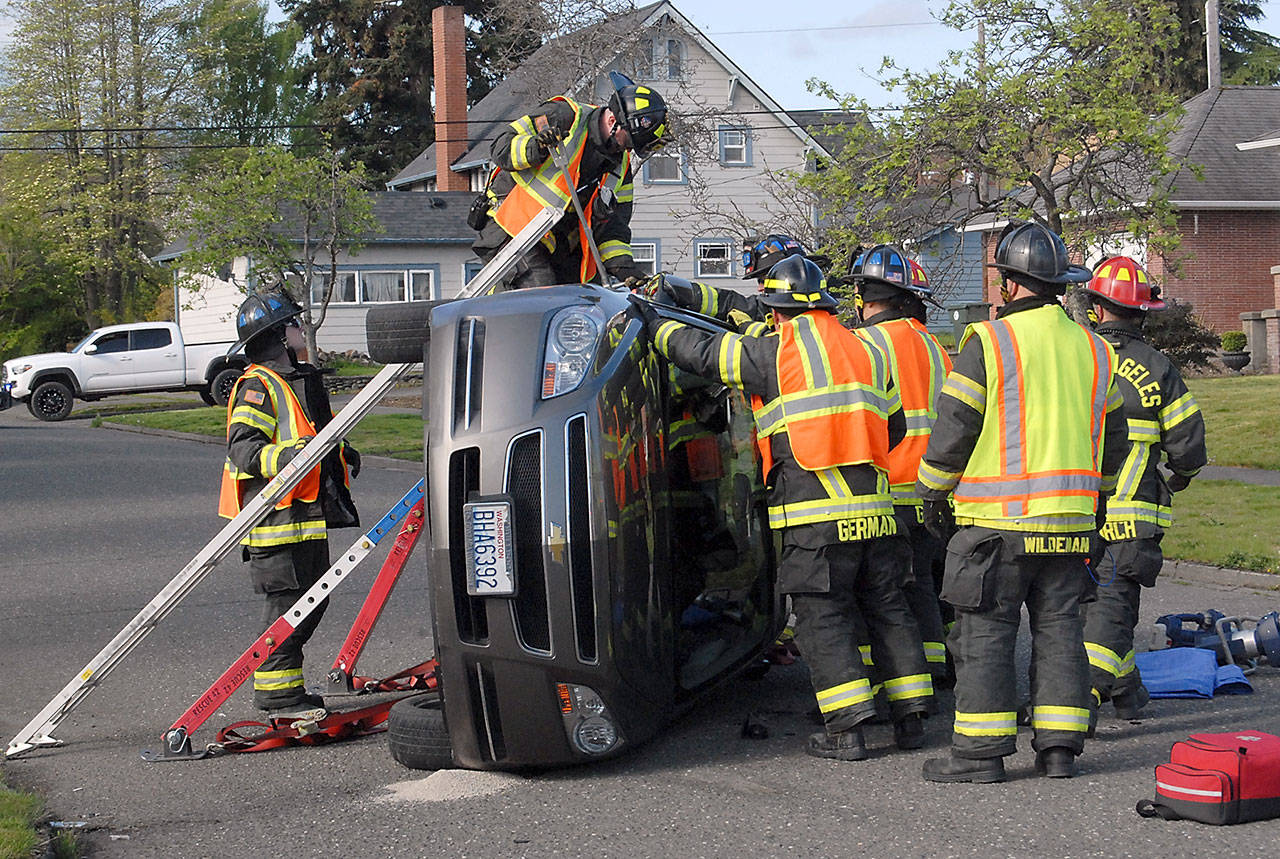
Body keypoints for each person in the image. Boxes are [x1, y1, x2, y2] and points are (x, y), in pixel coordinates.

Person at [634, 254, 933, 760]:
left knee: (824, 617)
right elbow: (896, 429)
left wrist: (651, 323)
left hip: (817, 522)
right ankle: (911, 718)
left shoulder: (775, 354)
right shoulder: (868, 352)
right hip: (882, 516)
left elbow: (703, 353)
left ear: (775, 310)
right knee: (887, 608)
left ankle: (847, 730)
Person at [917, 221, 1129, 783]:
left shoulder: (989, 342)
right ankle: (1059, 749)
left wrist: (931, 491)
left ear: (1010, 285)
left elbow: (954, 428)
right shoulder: (1094, 348)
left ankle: (979, 757)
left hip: (996, 526)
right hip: (1073, 523)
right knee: (1061, 630)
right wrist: (1097, 500)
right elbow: (1114, 439)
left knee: (986, 631)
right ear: (1058, 285)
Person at [218, 292, 362, 719]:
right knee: (287, 608)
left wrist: (340, 453)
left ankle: (287, 690)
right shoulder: (258, 385)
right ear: (280, 335)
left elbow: (307, 433)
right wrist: (294, 457)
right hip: (277, 524)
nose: (302, 331)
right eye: (295, 325)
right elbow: (244, 451)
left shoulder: (288, 382)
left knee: (310, 602)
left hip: (302, 518)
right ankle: (278, 696)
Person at [1079, 256, 1207, 722]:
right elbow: (1187, 443)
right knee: (1111, 608)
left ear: (1096, 307)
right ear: (1143, 312)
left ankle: (1126, 692)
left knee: (1083, 605)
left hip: (1072, 507)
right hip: (1133, 516)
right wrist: (1182, 474)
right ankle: (1083, 699)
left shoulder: (1079, 356)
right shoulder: (1158, 367)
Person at [847, 246, 953, 690]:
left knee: (879, 593)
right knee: (922, 587)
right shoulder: (934, 346)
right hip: (935, 490)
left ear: (863, 297)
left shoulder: (862, 345)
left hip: (886, 489)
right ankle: (935, 665)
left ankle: (885, 678)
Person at [472, 71, 668, 290]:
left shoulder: (620, 169)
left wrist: (624, 268)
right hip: (512, 227)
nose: (627, 149)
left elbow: (614, 228)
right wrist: (535, 147)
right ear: (613, 120)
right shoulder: (564, 116)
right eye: (629, 141)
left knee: (584, 299)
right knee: (541, 293)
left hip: (556, 243)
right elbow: (500, 147)